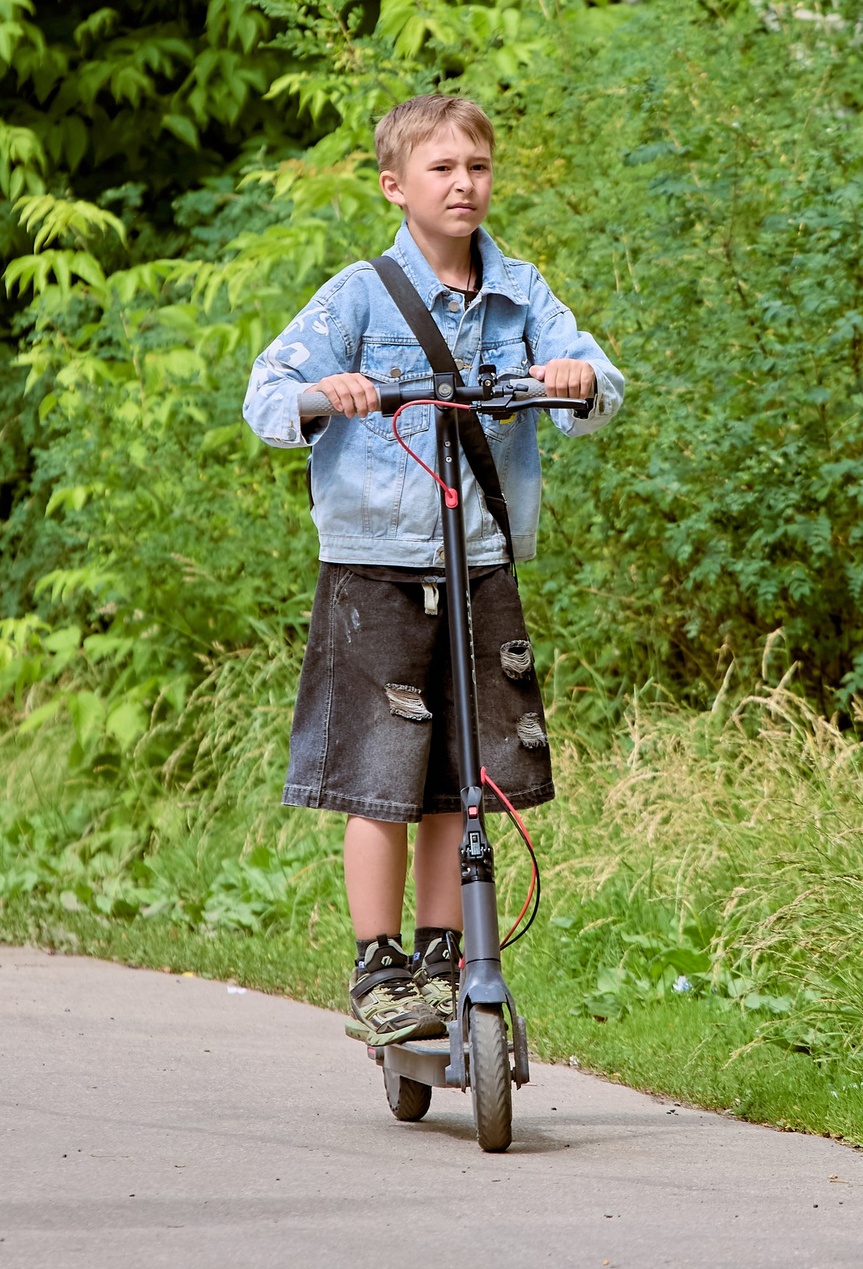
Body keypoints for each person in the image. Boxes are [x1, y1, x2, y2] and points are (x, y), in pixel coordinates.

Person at [243, 93, 623, 1044]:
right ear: (395, 186)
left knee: (466, 773)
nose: (464, 184)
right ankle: (378, 970)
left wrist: (575, 379)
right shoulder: (359, 296)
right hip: (375, 566)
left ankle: (443, 955)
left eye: (478, 167)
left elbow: (598, 378)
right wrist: (328, 394)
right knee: (381, 776)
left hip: (481, 558)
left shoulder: (520, 290)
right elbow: (267, 396)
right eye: (443, 169)